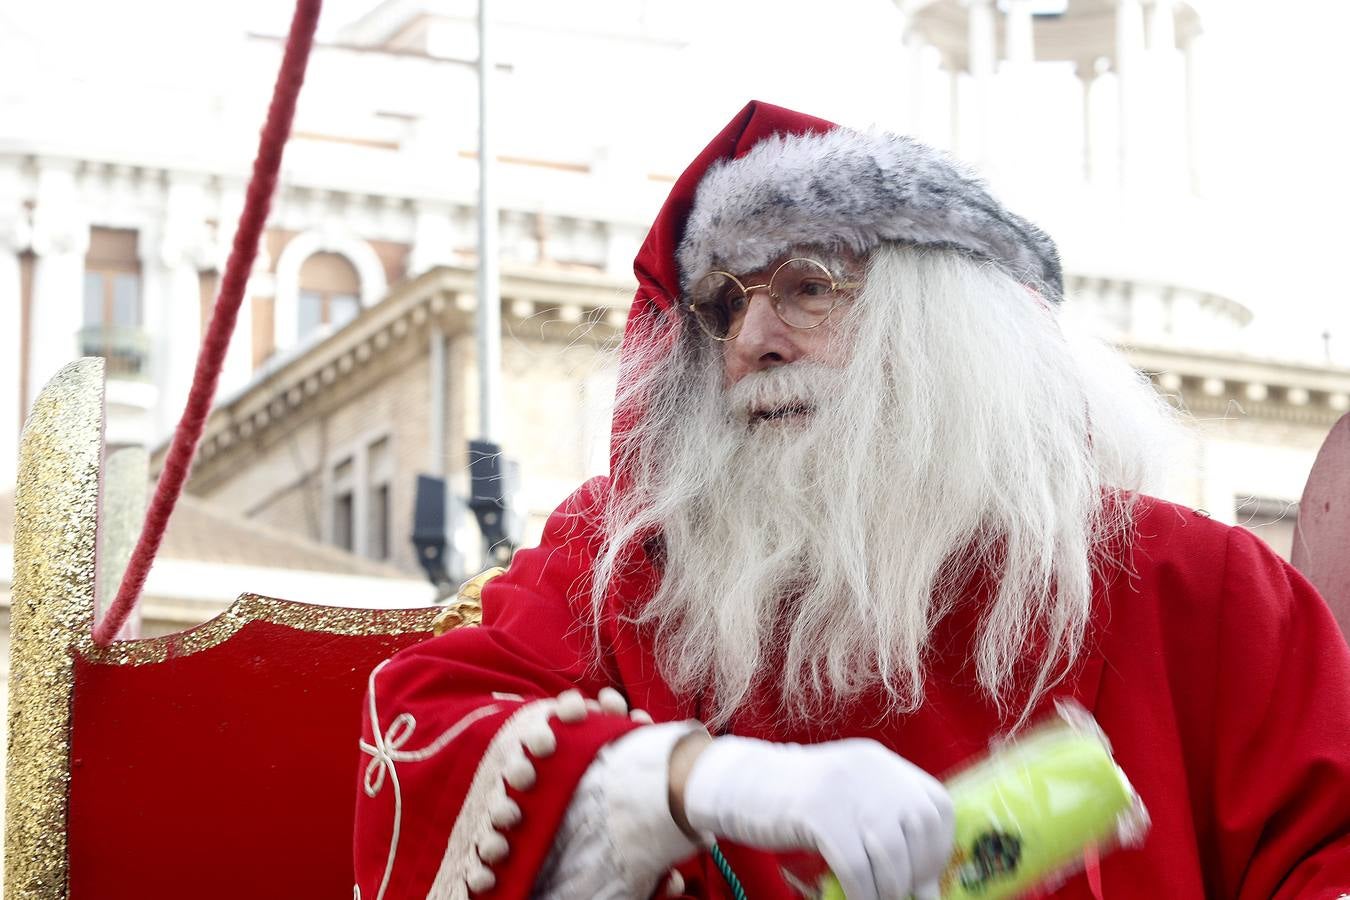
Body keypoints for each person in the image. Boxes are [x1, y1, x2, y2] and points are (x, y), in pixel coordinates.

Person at [352, 101, 1350, 900]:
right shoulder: (631, 565)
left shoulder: (1200, 588)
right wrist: (707, 782)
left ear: (941, 329)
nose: (751, 340)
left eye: (808, 287)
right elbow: (425, 730)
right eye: (726, 305)